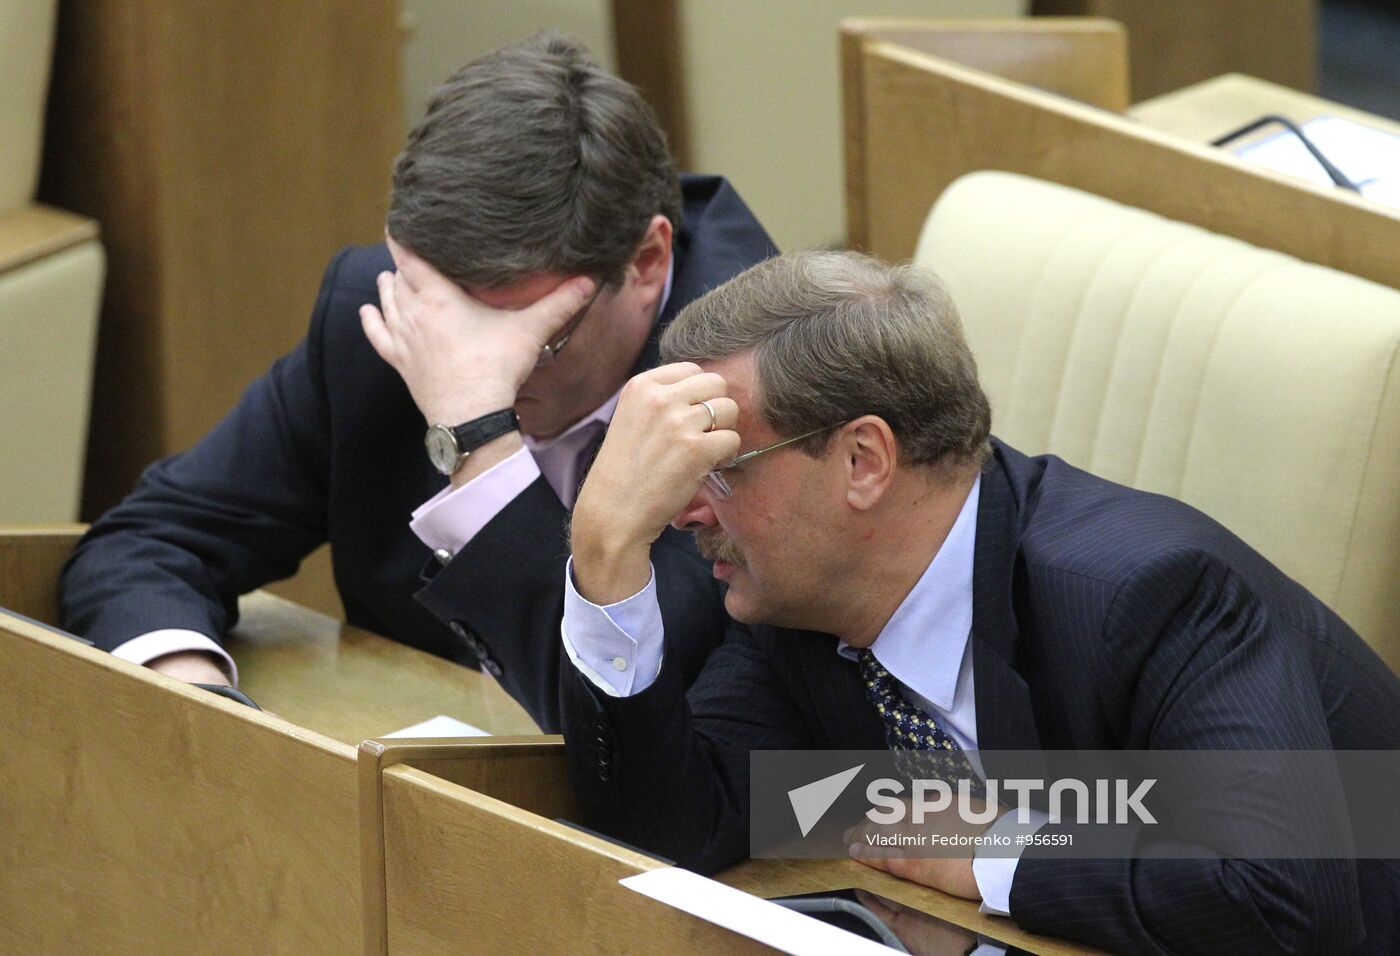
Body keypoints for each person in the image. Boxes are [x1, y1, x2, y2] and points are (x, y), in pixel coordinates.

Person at [560, 251, 1400, 954]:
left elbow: (1283, 897)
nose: (684, 511)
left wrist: (1002, 852)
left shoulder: (1149, 591)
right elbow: (675, 835)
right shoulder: (801, 613)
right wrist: (603, 559)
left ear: (863, 461)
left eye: (723, 467)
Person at [58, 34, 776, 731]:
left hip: (793, 822)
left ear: (647, 261)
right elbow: (148, 542)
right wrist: (204, 704)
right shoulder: (406, 325)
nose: (479, 366)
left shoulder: (766, 382)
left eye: (535, 337)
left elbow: (628, 723)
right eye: (460, 335)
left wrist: (478, 438)